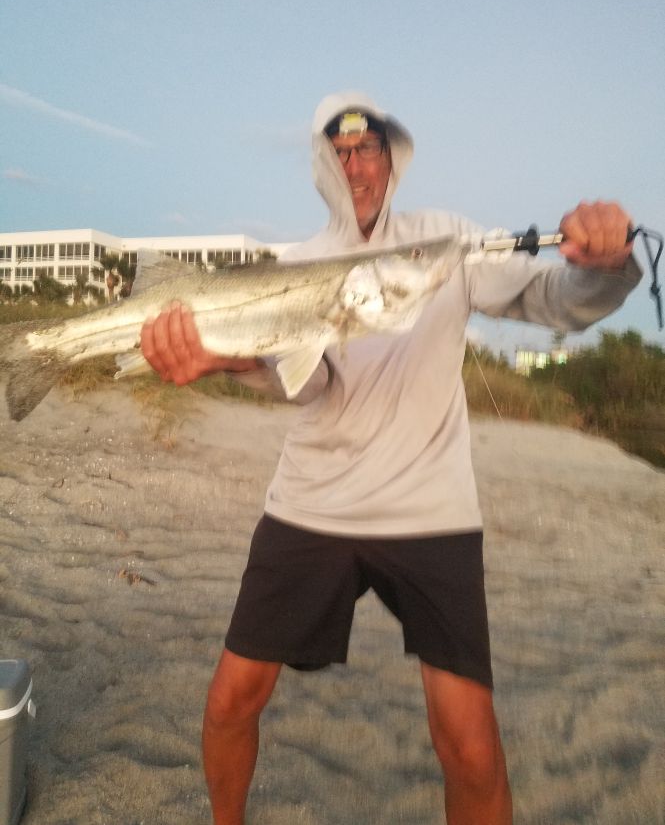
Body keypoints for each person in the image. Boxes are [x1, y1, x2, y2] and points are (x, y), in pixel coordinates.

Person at [140, 92, 641, 825]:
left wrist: (607, 264)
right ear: (322, 164)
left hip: (429, 508)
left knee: (468, 741)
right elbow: (305, 381)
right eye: (338, 153)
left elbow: (551, 299)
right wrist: (219, 360)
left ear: (390, 157)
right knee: (229, 699)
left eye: (367, 149)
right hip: (312, 500)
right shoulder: (299, 262)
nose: (354, 165)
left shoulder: (442, 240)